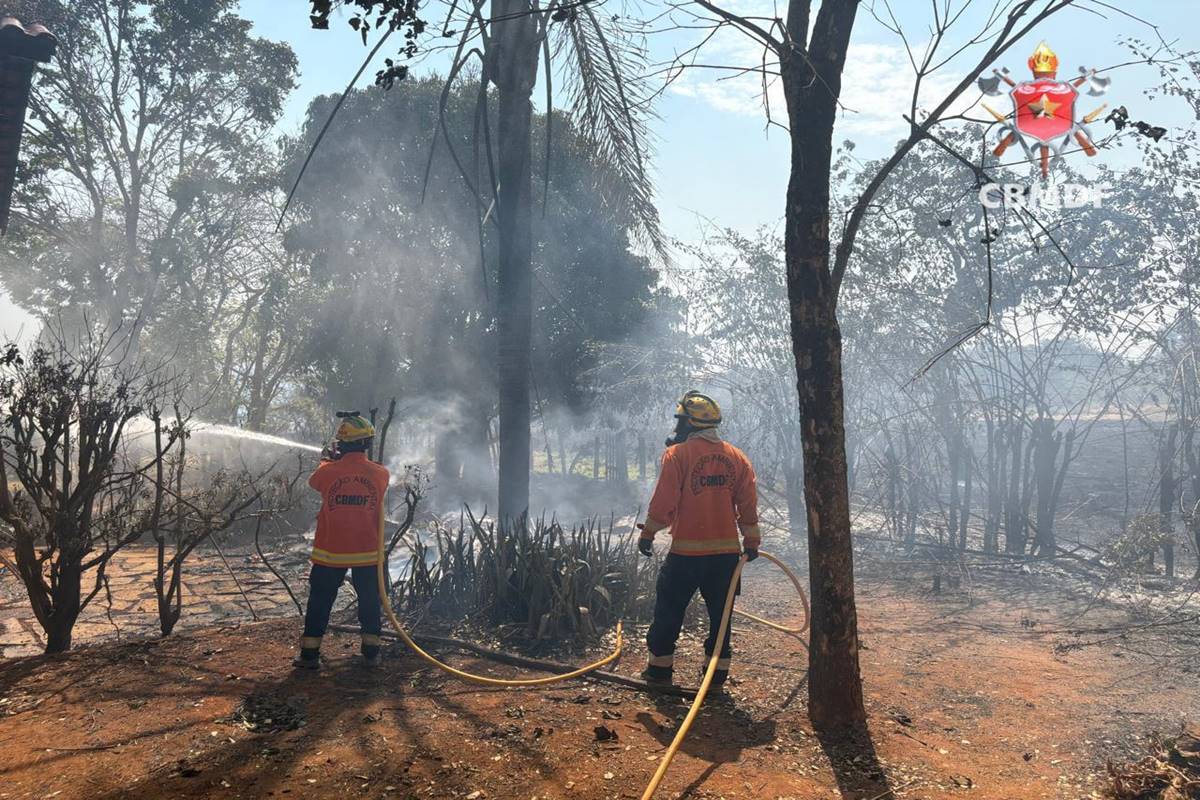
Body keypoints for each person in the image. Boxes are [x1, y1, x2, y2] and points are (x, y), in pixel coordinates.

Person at [637, 390, 760, 688]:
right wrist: (752, 542)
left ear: (690, 423)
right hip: (726, 556)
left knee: (669, 609)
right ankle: (716, 679)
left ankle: (659, 671)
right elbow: (747, 502)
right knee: (721, 617)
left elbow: (664, 501)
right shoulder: (737, 457)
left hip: (686, 555)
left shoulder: (677, 455)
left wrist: (648, 533)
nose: (677, 428)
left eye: (680, 422)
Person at [294, 413, 391, 670]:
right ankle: (372, 652)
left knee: (321, 600)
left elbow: (314, 482)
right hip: (367, 551)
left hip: (331, 551)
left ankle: (309, 655)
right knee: (371, 599)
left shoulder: (328, 472)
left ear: (342, 444)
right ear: (368, 444)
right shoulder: (380, 474)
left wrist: (329, 460)